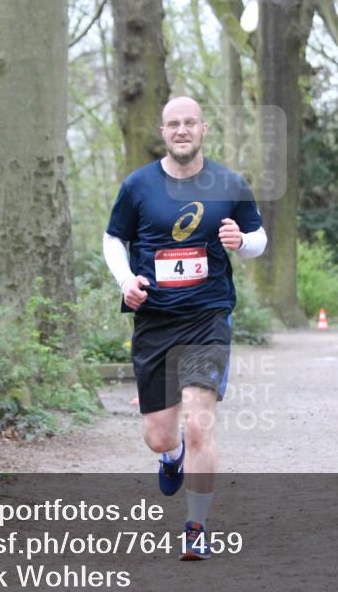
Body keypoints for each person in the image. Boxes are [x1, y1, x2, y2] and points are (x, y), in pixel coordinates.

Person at [102, 96, 267, 560]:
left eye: (189, 123)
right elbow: (114, 239)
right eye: (173, 123)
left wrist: (242, 242)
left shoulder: (229, 183)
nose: (181, 130)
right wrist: (126, 280)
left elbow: (258, 238)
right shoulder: (137, 186)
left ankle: (197, 527)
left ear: (203, 128)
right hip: (155, 320)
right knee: (160, 434)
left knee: (198, 425)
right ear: (163, 131)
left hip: (207, 316)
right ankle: (168, 457)